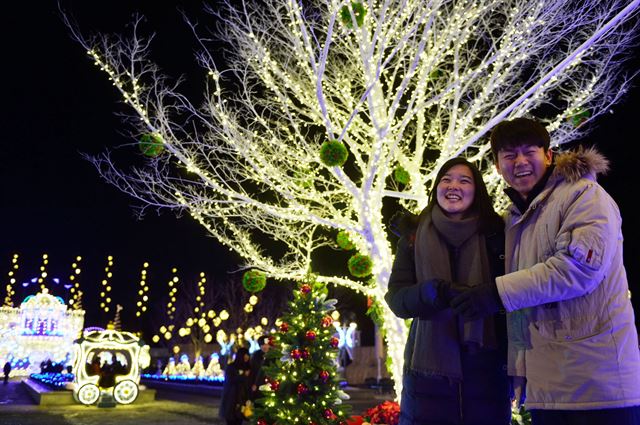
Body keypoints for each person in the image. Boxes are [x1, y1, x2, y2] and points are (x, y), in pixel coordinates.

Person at [451, 117, 640, 424]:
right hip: (548, 389)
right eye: (509, 155)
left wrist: (495, 293)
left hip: (598, 387)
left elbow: (578, 269)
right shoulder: (515, 218)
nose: (520, 162)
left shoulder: (583, 195)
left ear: (549, 156)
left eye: (529, 151)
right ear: (498, 167)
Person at [385, 157, 511, 425]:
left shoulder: (496, 234)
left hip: (486, 371)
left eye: (464, 180)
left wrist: (485, 297)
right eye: (446, 179)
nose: (454, 185)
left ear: (476, 191)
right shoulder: (414, 236)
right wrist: (433, 292)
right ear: (436, 188)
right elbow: (396, 299)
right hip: (427, 381)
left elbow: (511, 295)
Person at [219, 347, 252, 425]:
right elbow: (231, 380)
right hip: (232, 398)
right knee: (231, 420)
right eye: (245, 355)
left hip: (242, 398)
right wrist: (243, 375)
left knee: (239, 419)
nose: (246, 357)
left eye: (247, 355)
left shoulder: (248, 367)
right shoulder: (232, 366)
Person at [249, 335, 272, 402]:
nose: (264, 347)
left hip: (270, 385)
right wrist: (253, 384)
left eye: (266, 344)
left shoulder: (274, 355)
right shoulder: (256, 355)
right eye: (262, 345)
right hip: (257, 386)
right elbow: (252, 371)